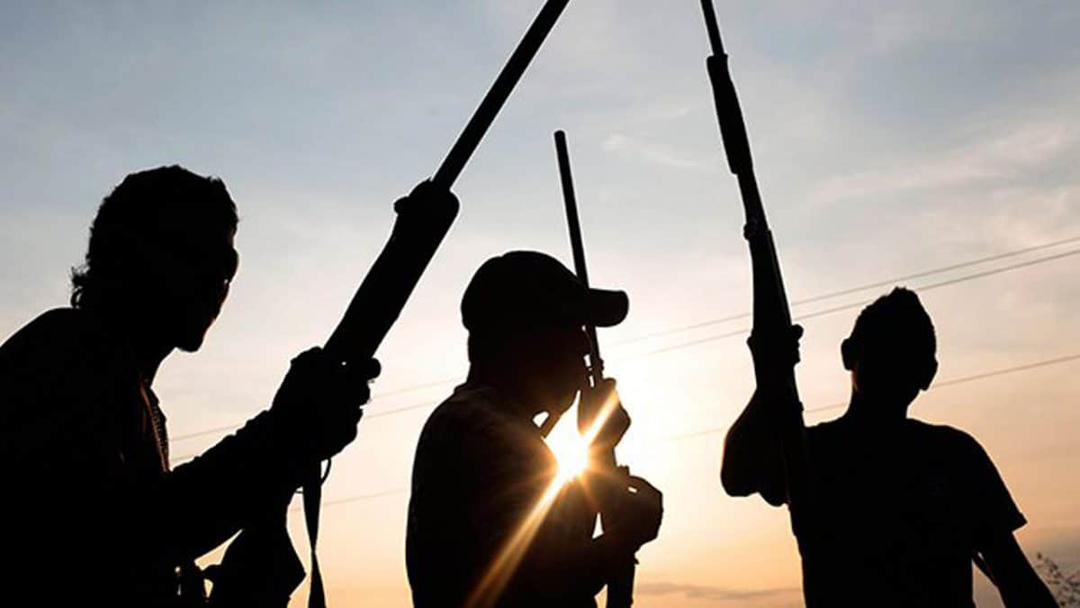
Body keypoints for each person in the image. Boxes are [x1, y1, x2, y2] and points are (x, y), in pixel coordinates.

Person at [0, 166, 381, 607]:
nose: (220, 277)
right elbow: (109, 541)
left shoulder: (131, 392)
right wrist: (282, 436)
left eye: (228, 265)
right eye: (193, 252)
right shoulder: (62, 351)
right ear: (126, 255)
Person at [721, 287, 1058, 607]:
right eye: (882, 350)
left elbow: (1015, 578)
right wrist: (770, 379)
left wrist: (771, 378)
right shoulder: (812, 452)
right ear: (849, 354)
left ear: (927, 373)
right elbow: (737, 478)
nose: (893, 365)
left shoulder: (954, 455)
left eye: (906, 355)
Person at [406, 251, 663, 608]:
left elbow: (554, 544)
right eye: (569, 328)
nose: (584, 346)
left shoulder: (488, 426)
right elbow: (541, 581)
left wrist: (599, 449)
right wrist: (628, 536)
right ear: (520, 339)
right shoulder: (481, 429)